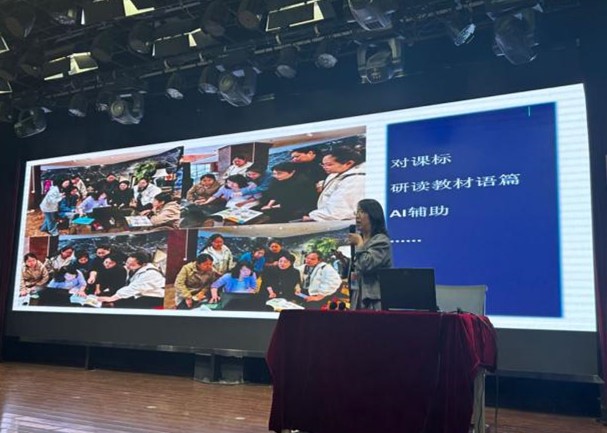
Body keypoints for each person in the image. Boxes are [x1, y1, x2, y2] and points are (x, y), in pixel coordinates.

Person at [347, 199, 393, 310]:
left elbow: (366, 265)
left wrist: (359, 243)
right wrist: (346, 263)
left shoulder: (381, 240)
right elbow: (358, 268)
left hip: (373, 302)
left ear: (373, 215)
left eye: (362, 212)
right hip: (357, 298)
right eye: (357, 212)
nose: (357, 216)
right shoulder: (361, 239)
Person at [303, 147, 366, 222]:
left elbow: (340, 209)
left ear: (349, 163)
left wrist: (315, 216)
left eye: (329, 164)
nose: (325, 167)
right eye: (323, 164)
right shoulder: (337, 174)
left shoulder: (355, 180)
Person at [97, 252, 165, 308]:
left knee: (122, 304)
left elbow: (133, 288)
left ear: (143, 264)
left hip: (154, 297)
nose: (128, 266)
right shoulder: (133, 268)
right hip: (140, 293)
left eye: (132, 265)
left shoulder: (150, 274)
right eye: (127, 263)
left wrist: (112, 298)